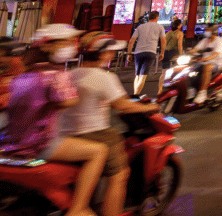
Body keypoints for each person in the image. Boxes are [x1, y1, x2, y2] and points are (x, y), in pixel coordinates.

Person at [1, 24, 107, 216]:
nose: (71, 46)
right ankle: (79, 208)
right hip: (40, 144)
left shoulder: (22, 75)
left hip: (11, 142)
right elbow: (70, 101)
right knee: (99, 151)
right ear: (47, 46)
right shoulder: (55, 75)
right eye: (65, 42)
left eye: (71, 42)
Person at [64, 32, 160, 216]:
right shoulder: (103, 77)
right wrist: (148, 108)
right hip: (94, 132)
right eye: (111, 51)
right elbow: (122, 105)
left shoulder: (71, 74)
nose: (114, 55)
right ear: (102, 54)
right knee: (119, 175)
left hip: (66, 134)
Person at [126, 11, 165, 96]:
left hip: (138, 53)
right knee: (143, 76)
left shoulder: (140, 27)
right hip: (150, 52)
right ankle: (135, 96)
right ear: (156, 17)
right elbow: (163, 41)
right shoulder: (160, 27)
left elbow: (131, 41)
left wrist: (129, 53)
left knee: (137, 75)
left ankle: (135, 95)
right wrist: (162, 53)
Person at [190, 25, 222, 105]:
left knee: (207, 67)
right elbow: (196, 49)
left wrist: (206, 59)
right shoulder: (205, 40)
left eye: (208, 30)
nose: (206, 32)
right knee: (190, 68)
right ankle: (191, 89)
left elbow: (216, 54)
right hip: (203, 62)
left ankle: (202, 93)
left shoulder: (219, 40)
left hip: (215, 63)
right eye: (206, 30)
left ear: (213, 31)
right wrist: (188, 54)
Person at [159, 19, 184, 89]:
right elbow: (180, 45)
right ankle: (172, 88)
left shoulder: (168, 33)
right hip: (174, 53)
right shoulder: (180, 33)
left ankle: (160, 90)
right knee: (176, 71)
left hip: (165, 53)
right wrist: (181, 54)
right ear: (179, 26)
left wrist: (162, 52)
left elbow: (163, 43)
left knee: (163, 73)